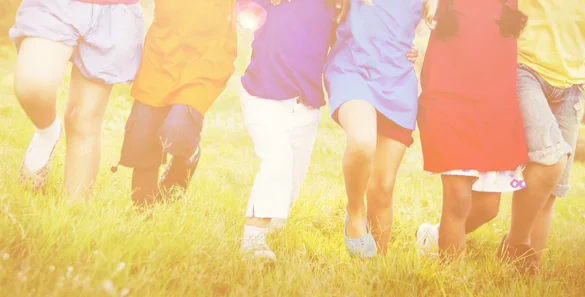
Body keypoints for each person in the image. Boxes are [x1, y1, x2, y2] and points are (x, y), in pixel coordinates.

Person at [418, 0, 585, 274]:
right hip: (491, 87)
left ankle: (519, 265)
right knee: (461, 197)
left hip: (536, 97)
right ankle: (485, 260)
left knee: (508, 202)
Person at [237, 0, 422, 261]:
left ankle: (276, 223)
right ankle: (253, 239)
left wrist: (398, 46)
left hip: (307, 99)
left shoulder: (333, 5)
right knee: (278, 162)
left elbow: (357, 28)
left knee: (294, 173)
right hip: (266, 90)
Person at [415, 0, 528, 265]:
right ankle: (453, 281)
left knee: (489, 209)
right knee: (457, 200)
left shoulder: (509, 5)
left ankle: (433, 236)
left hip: (494, 116)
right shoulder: (446, 4)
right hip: (450, 108)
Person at [324, 0, 431, 258]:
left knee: (383, 188)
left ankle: (375, 268)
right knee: (362, 141)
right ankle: (355, 211)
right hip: (353, 69)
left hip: (398, 81)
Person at [10, 0, 145, 199]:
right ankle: (47, 130)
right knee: (33, 83)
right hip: (57, 5)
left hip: (115, 10)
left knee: (84, 120)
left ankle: (72, 217)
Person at [113, 0, 238, 206]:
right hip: (162, 52)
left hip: (207, 56)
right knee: (142, 134)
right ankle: (142, 214)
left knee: (178, 130)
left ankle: (188, 156)